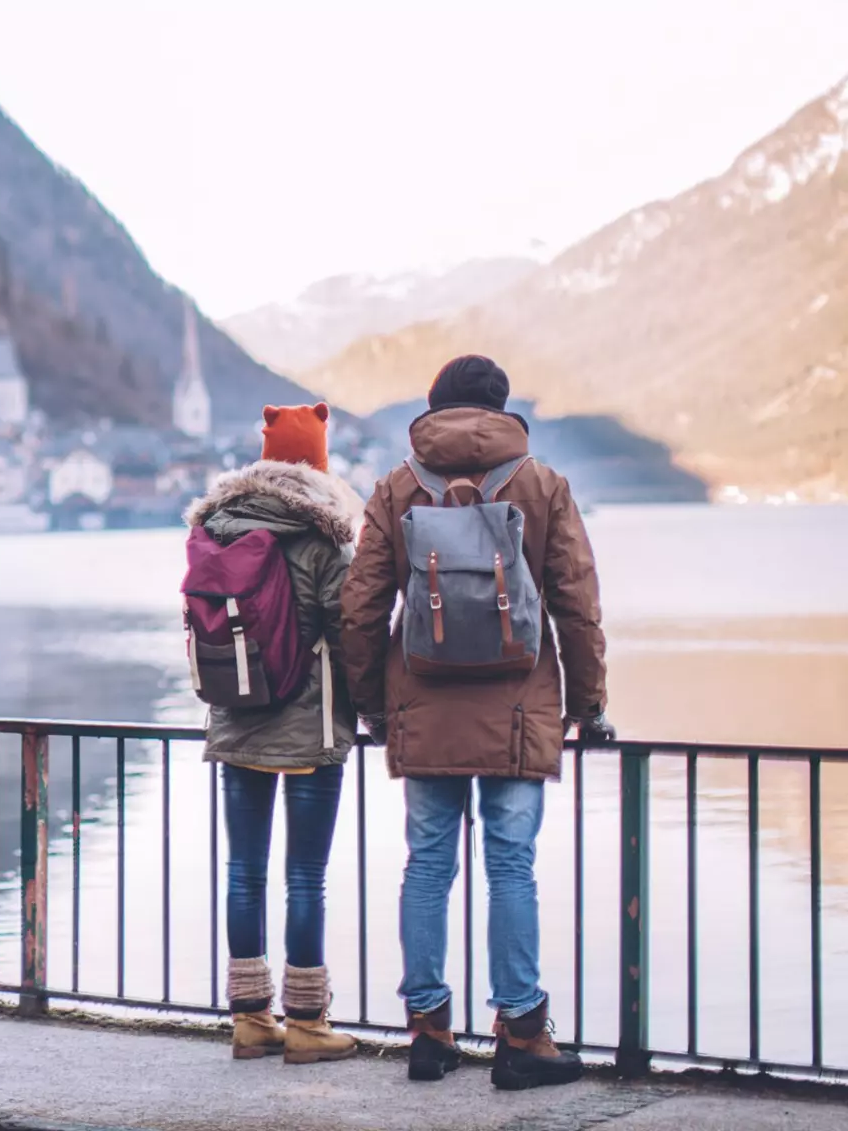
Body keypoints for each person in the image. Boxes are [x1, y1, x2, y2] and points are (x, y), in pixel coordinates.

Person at [338, 355, 613, 1091]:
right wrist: (586, 705)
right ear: (501, 408)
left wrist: (369, 704)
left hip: (421, 704)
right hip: (518, 706)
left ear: (433, 408)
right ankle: (521, 1035)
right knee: (510, 866)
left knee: (426, 864)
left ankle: (428, 1031)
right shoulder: (541, 483)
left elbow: (361, 611)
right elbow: (575, 606)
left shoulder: (398, 486)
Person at [189, 402, 361, 1063]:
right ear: (317, 461)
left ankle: (249, 1020)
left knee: (242, 872)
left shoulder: (215, 527)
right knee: (305, 877)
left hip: (235, 719)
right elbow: (348, 635)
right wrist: (365, 707)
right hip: (309, 726)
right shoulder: (320, 537)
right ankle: (309, 1025)